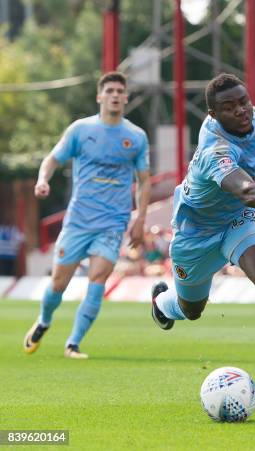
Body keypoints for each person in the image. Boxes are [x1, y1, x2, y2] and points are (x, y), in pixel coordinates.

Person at [150, 73, 255, 401]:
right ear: (214, 115)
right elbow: (245, 190)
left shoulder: (247, 112)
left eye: (244, 101)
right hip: (196, 233)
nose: (242, 110)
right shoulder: (214, 150)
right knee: (191, 310)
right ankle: (162, 302)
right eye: (230, 107)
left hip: (236, 221)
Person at [23, 72, 151, 359]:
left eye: (120, 91)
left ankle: (73, 343)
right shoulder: (80, 130)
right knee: (59, 282)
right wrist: (43, 180)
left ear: (126, 97)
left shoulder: (135, 136)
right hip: (79, 220)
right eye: (110, 91)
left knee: (97, 279)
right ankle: (44, 321)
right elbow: (52, 159)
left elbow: (145, 179)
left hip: (113, 222)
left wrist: (139, 218)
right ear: (100, 96)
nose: (115, 95)